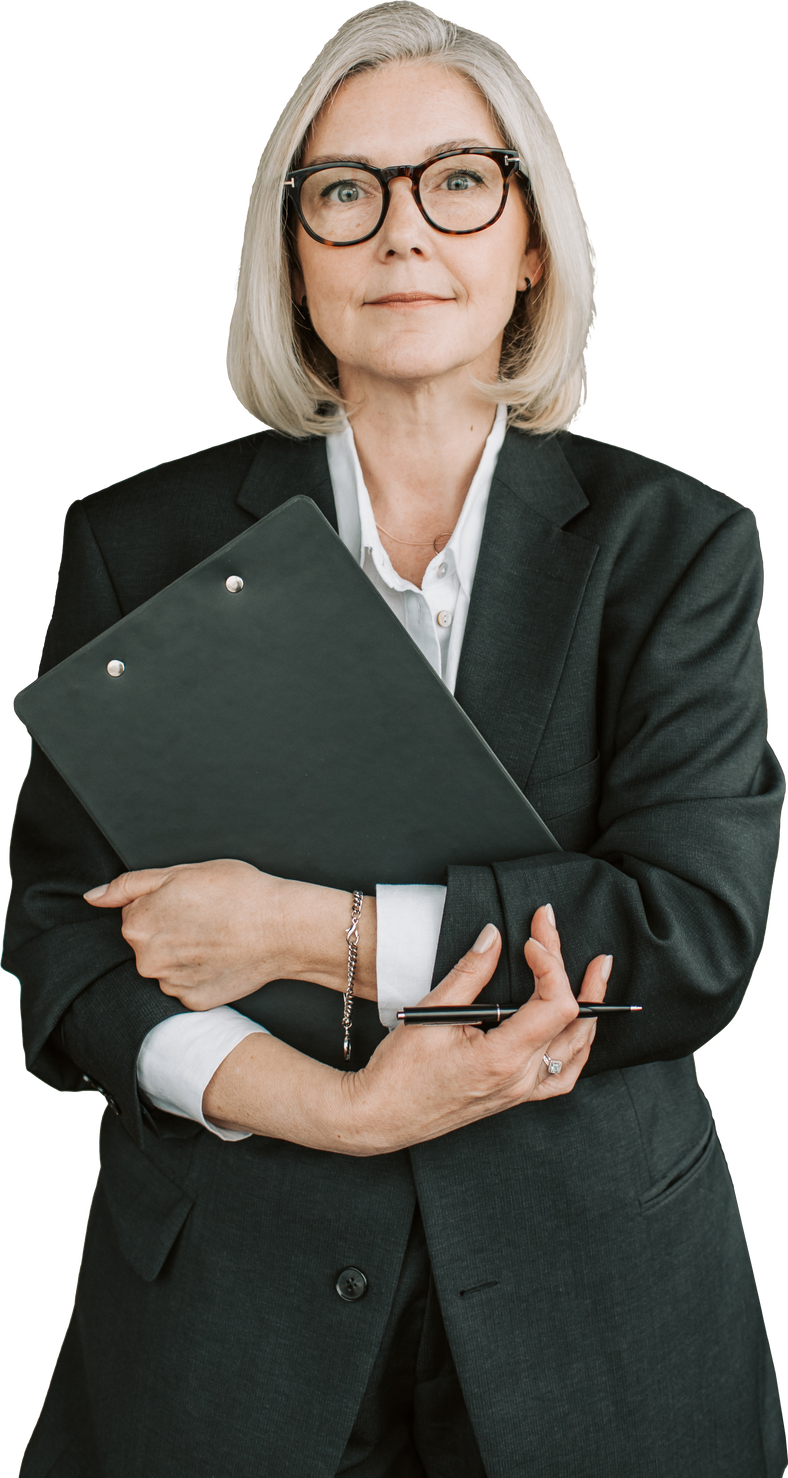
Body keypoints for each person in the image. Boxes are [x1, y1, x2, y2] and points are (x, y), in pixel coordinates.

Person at [6, 5, 787, 1476]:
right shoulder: (144, 542)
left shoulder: (668, 544)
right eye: (346, 191)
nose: (401, 233)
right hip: (227, 1316)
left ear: (530, 244)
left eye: (458, 181)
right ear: (293, 253)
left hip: (595, 1308)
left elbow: (685, 935)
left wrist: (317, 932)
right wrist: (337, 1111)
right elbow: (62, 940)